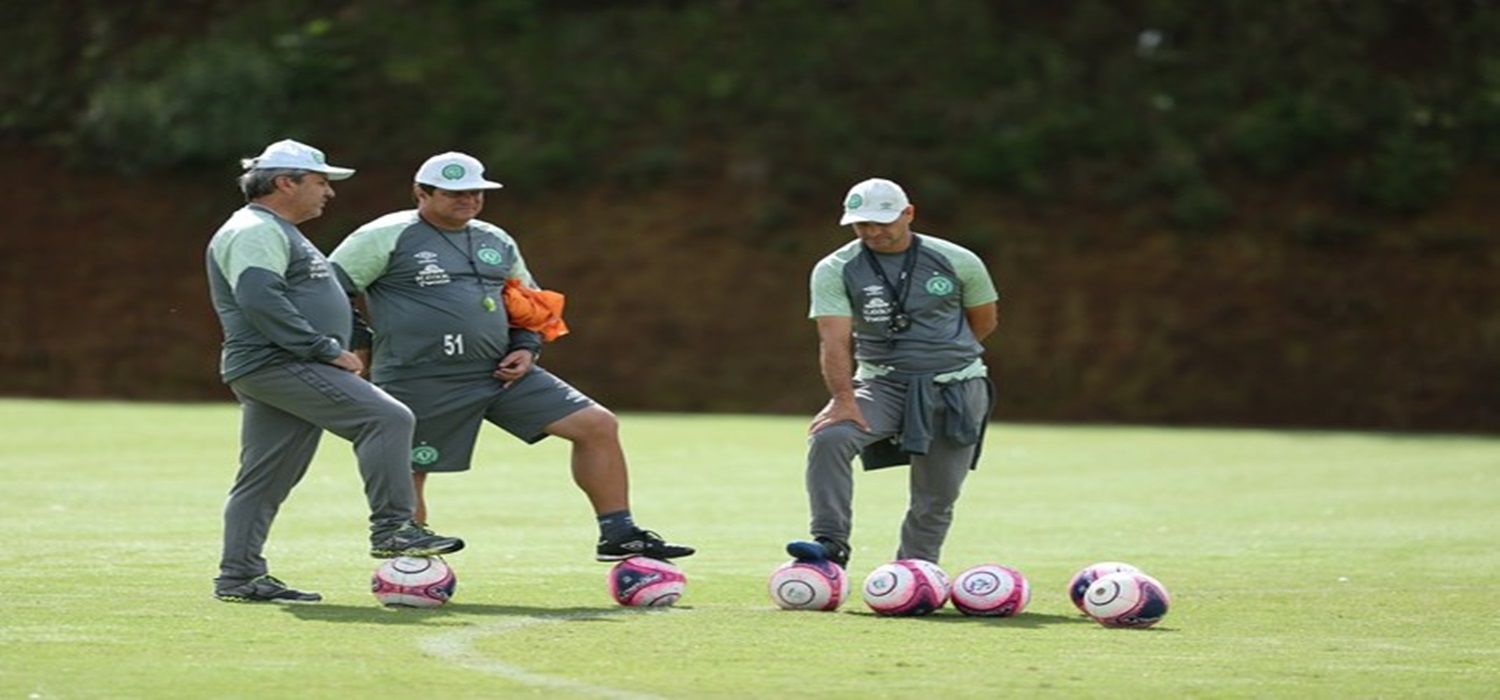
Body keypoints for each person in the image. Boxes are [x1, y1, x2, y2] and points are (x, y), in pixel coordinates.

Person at [328, 151, 694, 562]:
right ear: (421, 193)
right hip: (419, 375)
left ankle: (619, 533)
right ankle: (407, 557)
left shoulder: (494, 238)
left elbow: (527, 302)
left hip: (498, 372)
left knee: (596, 424)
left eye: (475, 192)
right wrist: (359, 345)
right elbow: (329, 290)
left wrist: (526, 347)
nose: (468, 200)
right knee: (410, 466)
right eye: (454, 193)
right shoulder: (384, 235)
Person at [205, 139, 465, 604]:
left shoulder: (274, 229)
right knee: (388, 417)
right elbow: (259, 297)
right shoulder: (255, 229)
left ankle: (239, 577)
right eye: (321, 182)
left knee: (264, 480)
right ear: (286, 182)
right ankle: (393, 528)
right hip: (282, 362)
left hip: (275, 364)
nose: (329, 193)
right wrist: (321, 348)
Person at [786, 177, 999, 569]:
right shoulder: (836, 268)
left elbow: (982, 322)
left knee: (936, 496)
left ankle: (914, 573)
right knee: (830, 437)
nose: (872, 231)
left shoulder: (958, 260)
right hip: (882, 383)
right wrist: (843, 399)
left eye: (882, 221)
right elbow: (834, 340)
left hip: (956, 386)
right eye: (862, 223)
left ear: (908, 214)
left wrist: (937, 357)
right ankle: (831, 543)